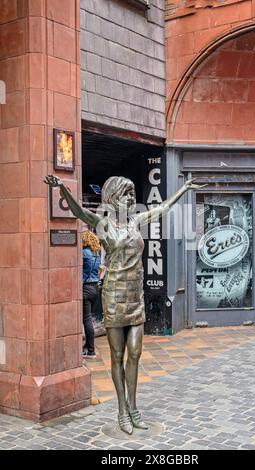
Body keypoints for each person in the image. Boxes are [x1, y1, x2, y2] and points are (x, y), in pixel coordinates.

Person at [44, 174, 204, 435]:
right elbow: (77, 210)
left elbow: (161, 208)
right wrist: (62, 187)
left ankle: (134, 406)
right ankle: (122, 410)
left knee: (135, 353)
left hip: (135, 296)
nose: (131, 199)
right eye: (125, 194)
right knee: (118, 356)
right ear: (112, 198)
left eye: (132, 194)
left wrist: (184, 189)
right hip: (114, 296)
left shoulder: (135, 221)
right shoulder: (103, 223)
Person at [82, 230, 101, 359]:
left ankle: (91, 351)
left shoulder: (84, 253)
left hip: (86, 288)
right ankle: (86, 346)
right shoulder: (96, 255)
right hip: (95, 288)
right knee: (89, 319)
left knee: (86, 320)